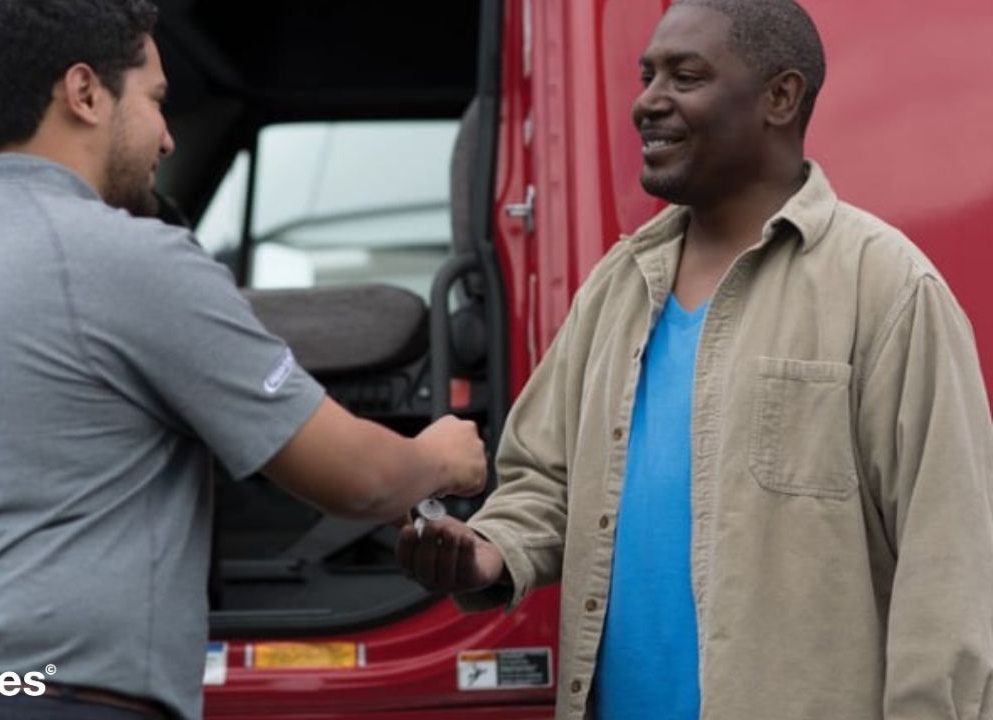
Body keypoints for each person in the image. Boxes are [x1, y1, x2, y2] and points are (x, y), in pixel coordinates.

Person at [0, 2, 487, 719]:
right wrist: (442, 457)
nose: (165, 136)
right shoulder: (134, 262)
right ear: (86, 93)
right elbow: (364, 481)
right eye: (156, 101)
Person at [397, 1, 993, 718]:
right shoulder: (616, 287)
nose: (648, 102)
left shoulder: (888, 288)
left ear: (780, 96)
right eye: (647, 75)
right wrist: (490, 549)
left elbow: (951, 568)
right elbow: (545, 480)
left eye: (686, 76)